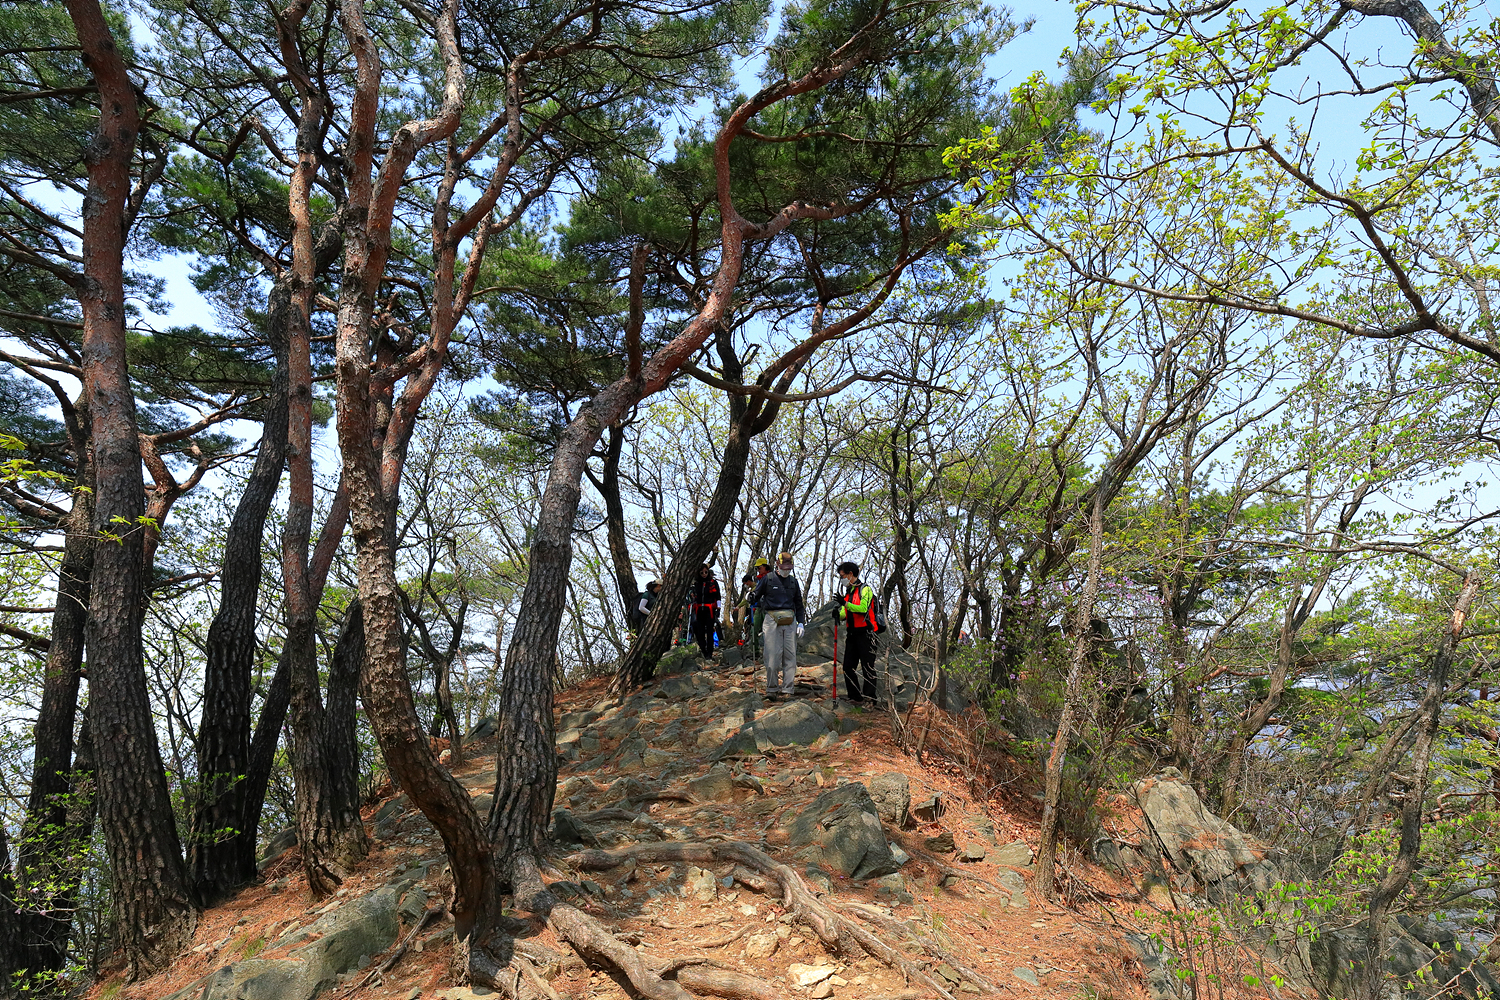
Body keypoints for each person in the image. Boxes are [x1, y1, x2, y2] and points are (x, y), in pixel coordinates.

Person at [748, 551, 804, 700]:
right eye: (784, 568)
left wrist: (801, 622)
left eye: (789, 568)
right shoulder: (768, 579)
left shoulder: (793, 582)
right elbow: (756, 595)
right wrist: (751, 597)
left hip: (790, 620)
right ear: (777, 565)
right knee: (772, 656)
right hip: (771, 618)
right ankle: (772, 689)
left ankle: (788, 689)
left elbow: (799, 603)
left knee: (790, 656)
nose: (786, 571)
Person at [836, 561, 879, 705]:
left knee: (868, 666)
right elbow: (845, 612)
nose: (842, 579)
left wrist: (845, 603)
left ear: (850, 574)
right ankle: (855, 697)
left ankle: (870, 698)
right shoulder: (849, 592)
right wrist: (838, 615)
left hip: (866, 633)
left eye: (842, 576)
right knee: (848, 667)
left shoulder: (865, 589)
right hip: (852, 634)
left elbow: (863, 608)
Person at [689, 563, 722, 658]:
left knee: (710, 631)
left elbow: (718, 596)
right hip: (699, 610)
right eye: (702, 572)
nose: (704, 574)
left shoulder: (713, 583)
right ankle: (703, 650)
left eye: (706, 572)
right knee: (700, 631)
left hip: (709, 610)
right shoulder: (696, 584)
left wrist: (718, 609)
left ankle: (709, 653)